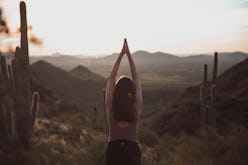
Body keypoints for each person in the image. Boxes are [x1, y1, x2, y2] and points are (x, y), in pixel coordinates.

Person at [105, 39, 142, 165]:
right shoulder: (136, 109)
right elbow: (136, 77)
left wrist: (121, 55)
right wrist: (129, 55)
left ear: (116, 92)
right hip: (132, 152)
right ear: (132, 93)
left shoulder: (111, 109)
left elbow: (111, 78)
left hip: (113, 152)